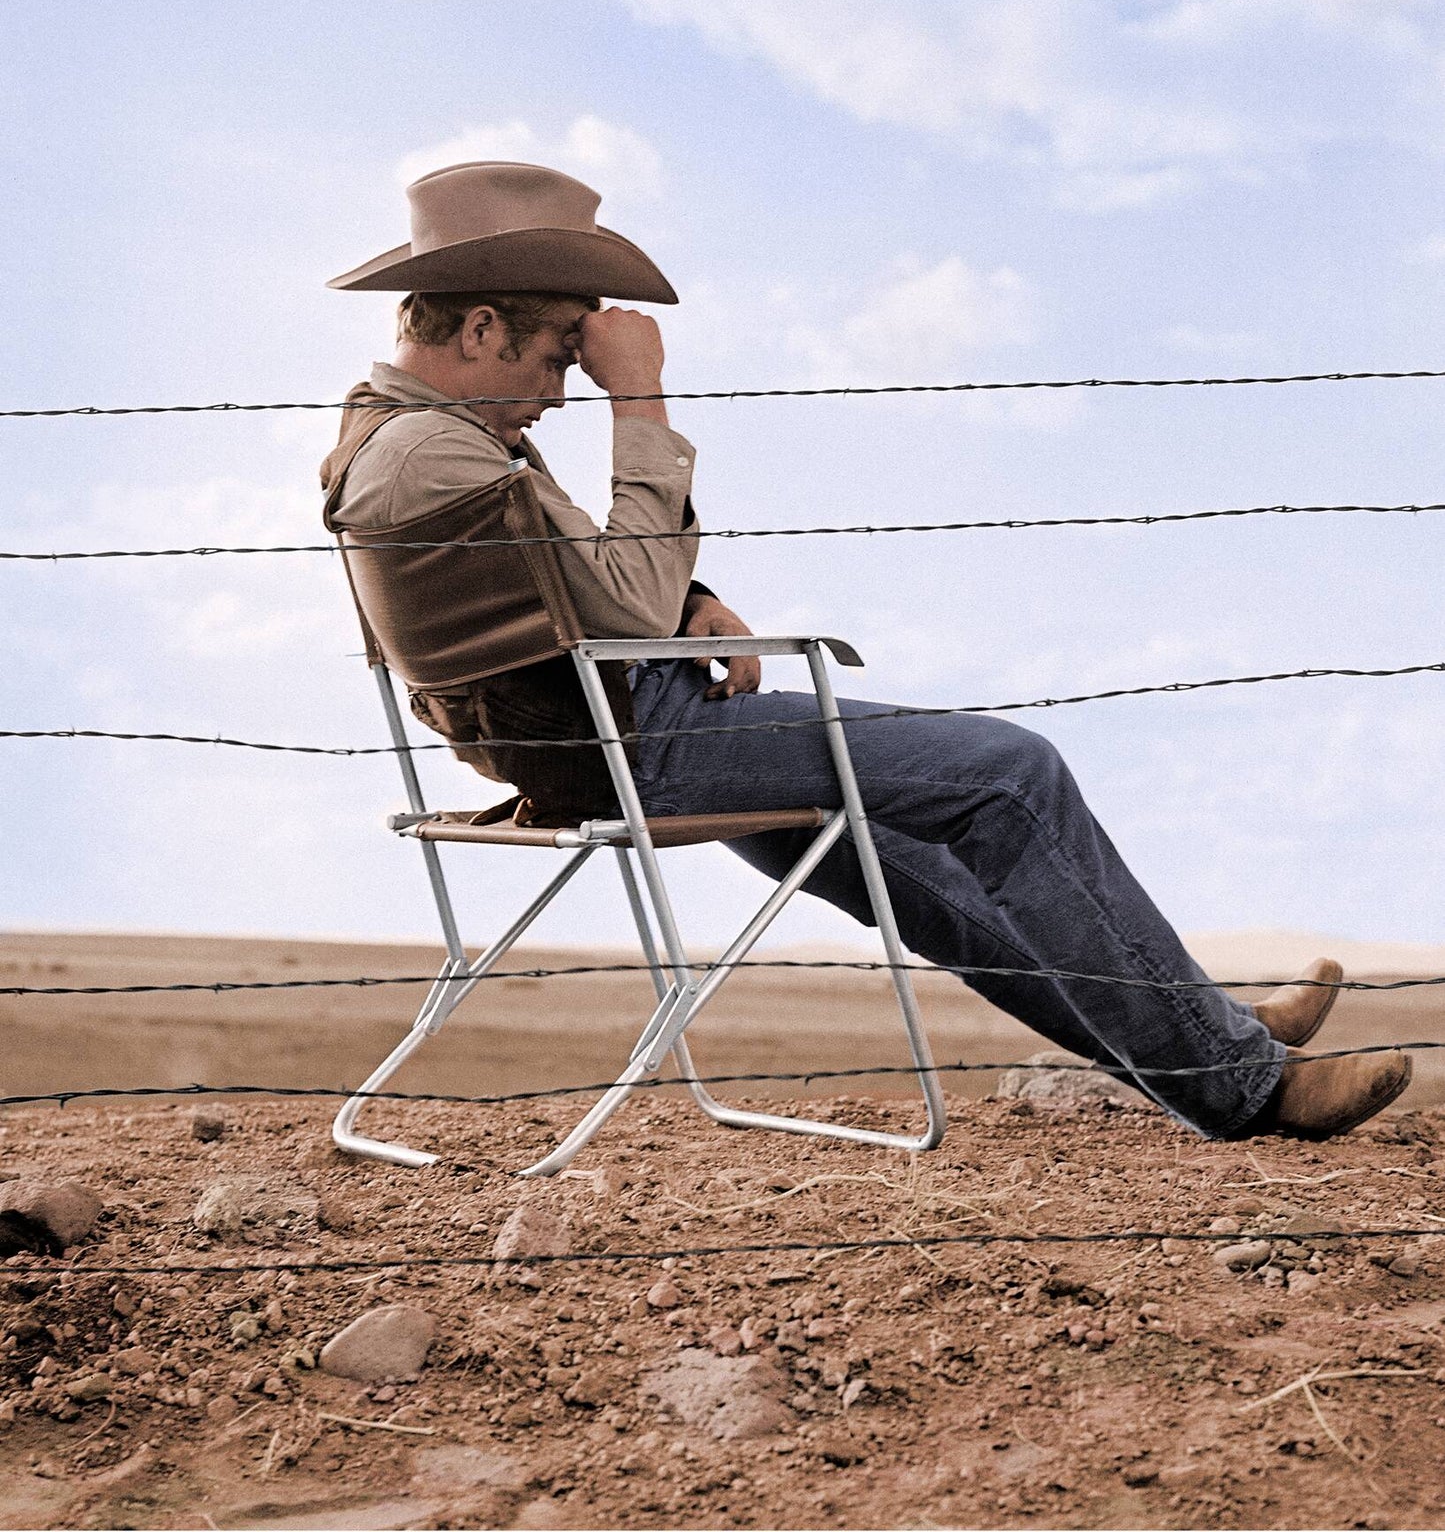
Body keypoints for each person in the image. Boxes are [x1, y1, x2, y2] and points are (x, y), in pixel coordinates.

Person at [322, 159, 1412, 1142]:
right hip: (636, 743)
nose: (565, 388)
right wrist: (642, 401)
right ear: (476, 331)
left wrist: (689, 596)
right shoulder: (433, 452)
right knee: (1007, 773)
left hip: (604, 732)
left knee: (926, 874)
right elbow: (615, 597)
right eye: (559, 352)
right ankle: (1240, 1081)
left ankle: (1204, 1034)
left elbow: (567, 592)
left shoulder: (414, 442)